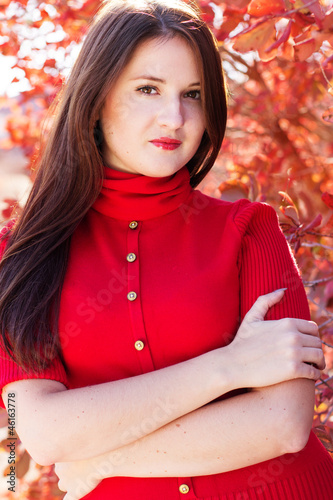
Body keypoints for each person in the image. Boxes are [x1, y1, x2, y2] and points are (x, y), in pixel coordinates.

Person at [0, 0, 332, 499]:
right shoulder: (23, 256)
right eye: (148, 90)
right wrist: (232, 366)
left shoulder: (249, 229)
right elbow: (44, 431)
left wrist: (105, 459)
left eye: (192, 94)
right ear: (96, 98)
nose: (175, 117)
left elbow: (283, 423)